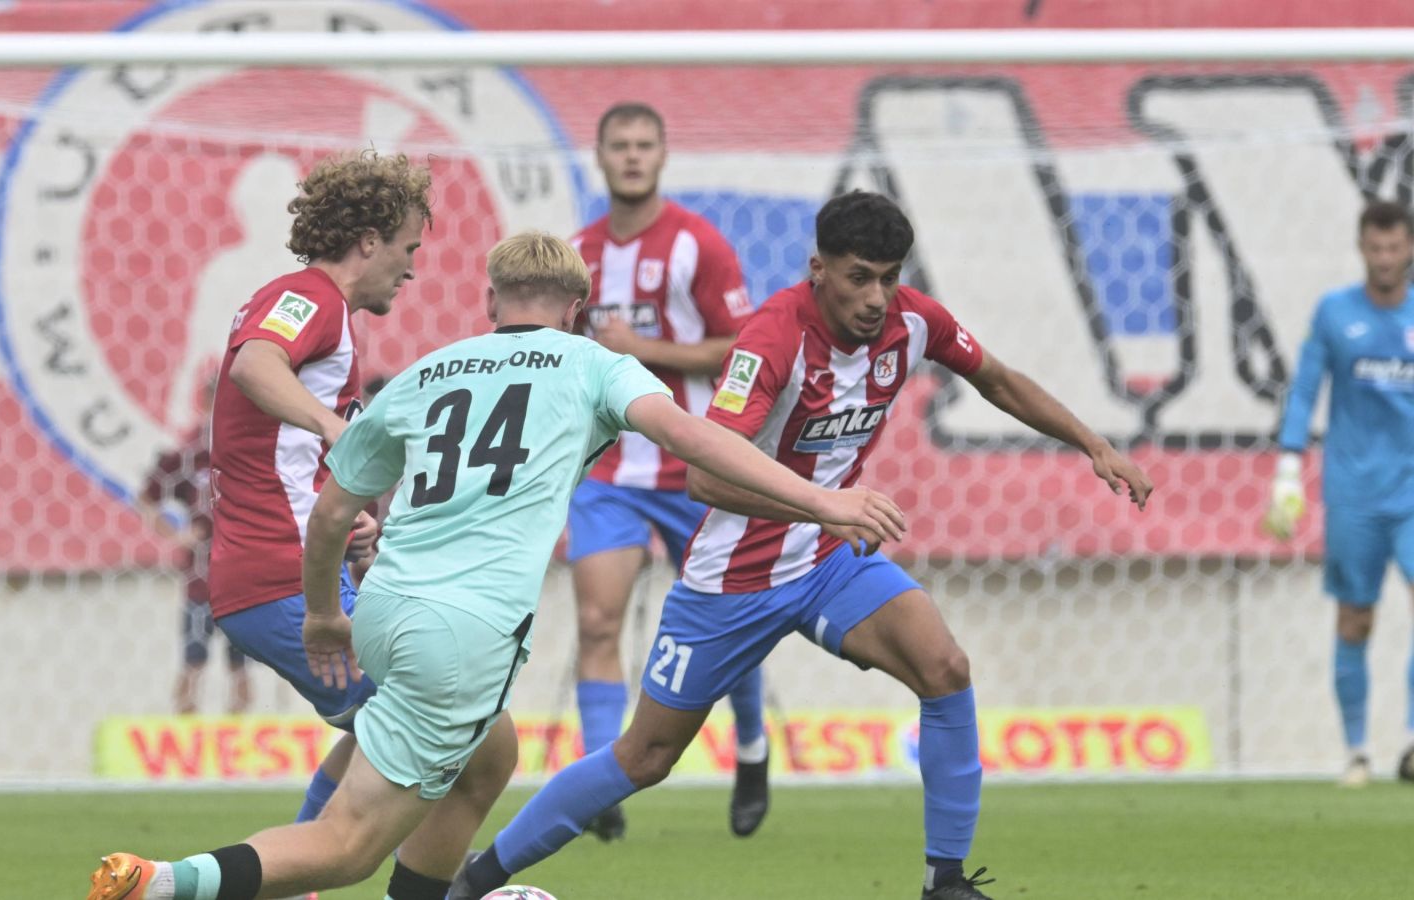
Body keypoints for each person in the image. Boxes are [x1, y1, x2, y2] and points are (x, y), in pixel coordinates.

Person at [86, 231, 904, 900]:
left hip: (385, 608)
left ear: (489, 303)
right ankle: (161, 885)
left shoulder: (428, 370)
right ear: (578, 310)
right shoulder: (592, 365)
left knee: (490, 758)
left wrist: (326, 611)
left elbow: (336, 507)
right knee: (347, 846)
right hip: (463, 633)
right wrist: (823, 499)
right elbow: (694, 438)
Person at [450, 192, 1154, 900]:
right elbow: (704, 475)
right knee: (645, 754)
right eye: (858, 277)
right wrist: (822, 507)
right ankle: (476, 878)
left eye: (889, 276)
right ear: (818, 268)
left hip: (826, 561)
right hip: (733, 579)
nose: (877, 296)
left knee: (944, 667)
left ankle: (946, 880)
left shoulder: (914, 322)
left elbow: (996, 379)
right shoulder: (773, 340)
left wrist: (1093, 444)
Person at [125, 149, 512, 900]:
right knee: (474, 737)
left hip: (283, 571)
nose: (410, 270)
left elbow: (278, 452)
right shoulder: (309, 299)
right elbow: (254, 365)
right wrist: (341, 431)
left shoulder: (320, 309)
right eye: (407, 250)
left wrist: (347, 513)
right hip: (280, 580)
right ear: (368, 241)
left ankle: (280, 884)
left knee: (404, 733)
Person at [567, 101, 768, 839]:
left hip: (694, 467)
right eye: (618, 143)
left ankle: (752, 749)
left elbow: (742, 347)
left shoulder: (697, 244)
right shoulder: (576, 254)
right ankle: (595, 788)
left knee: (732, 621)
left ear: (662, 154)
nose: (631, 155)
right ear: (599, 154)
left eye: (644, 143)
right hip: (611, 472)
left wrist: (641, 351)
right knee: (596, 620)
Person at [1263, 199, 1414, 787]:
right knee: (1355, 620)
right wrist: (1287, 468)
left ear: (1409, 248)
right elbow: (1303, 391)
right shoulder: (1335, 313)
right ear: (1361, 249)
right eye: (1375, 248)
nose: (1385, 258)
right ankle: (1356, 752)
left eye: (1395, 247)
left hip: (1412, 491)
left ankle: (1411, 741)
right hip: (1353, 493)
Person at [136, 374, 251, 715]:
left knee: (240, 665)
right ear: (203, 403)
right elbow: (148, 496)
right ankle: (186, 733)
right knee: (193, 660)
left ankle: (237, 734)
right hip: (201, 579)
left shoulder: (249, 451)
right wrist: (177, 534)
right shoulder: (192, 453)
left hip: (242, 577)